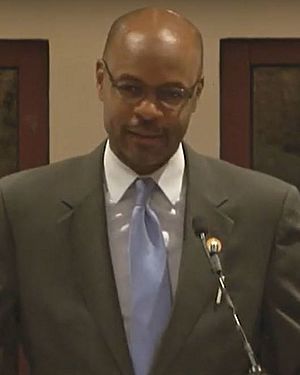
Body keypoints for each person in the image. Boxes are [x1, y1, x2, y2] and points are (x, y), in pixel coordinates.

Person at [0, 7, 300, 375]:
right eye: (130, 88)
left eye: (171, 94)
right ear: (100, 80)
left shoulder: (266, 213)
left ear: (197, 93)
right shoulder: (22, 210)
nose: (148, 110)